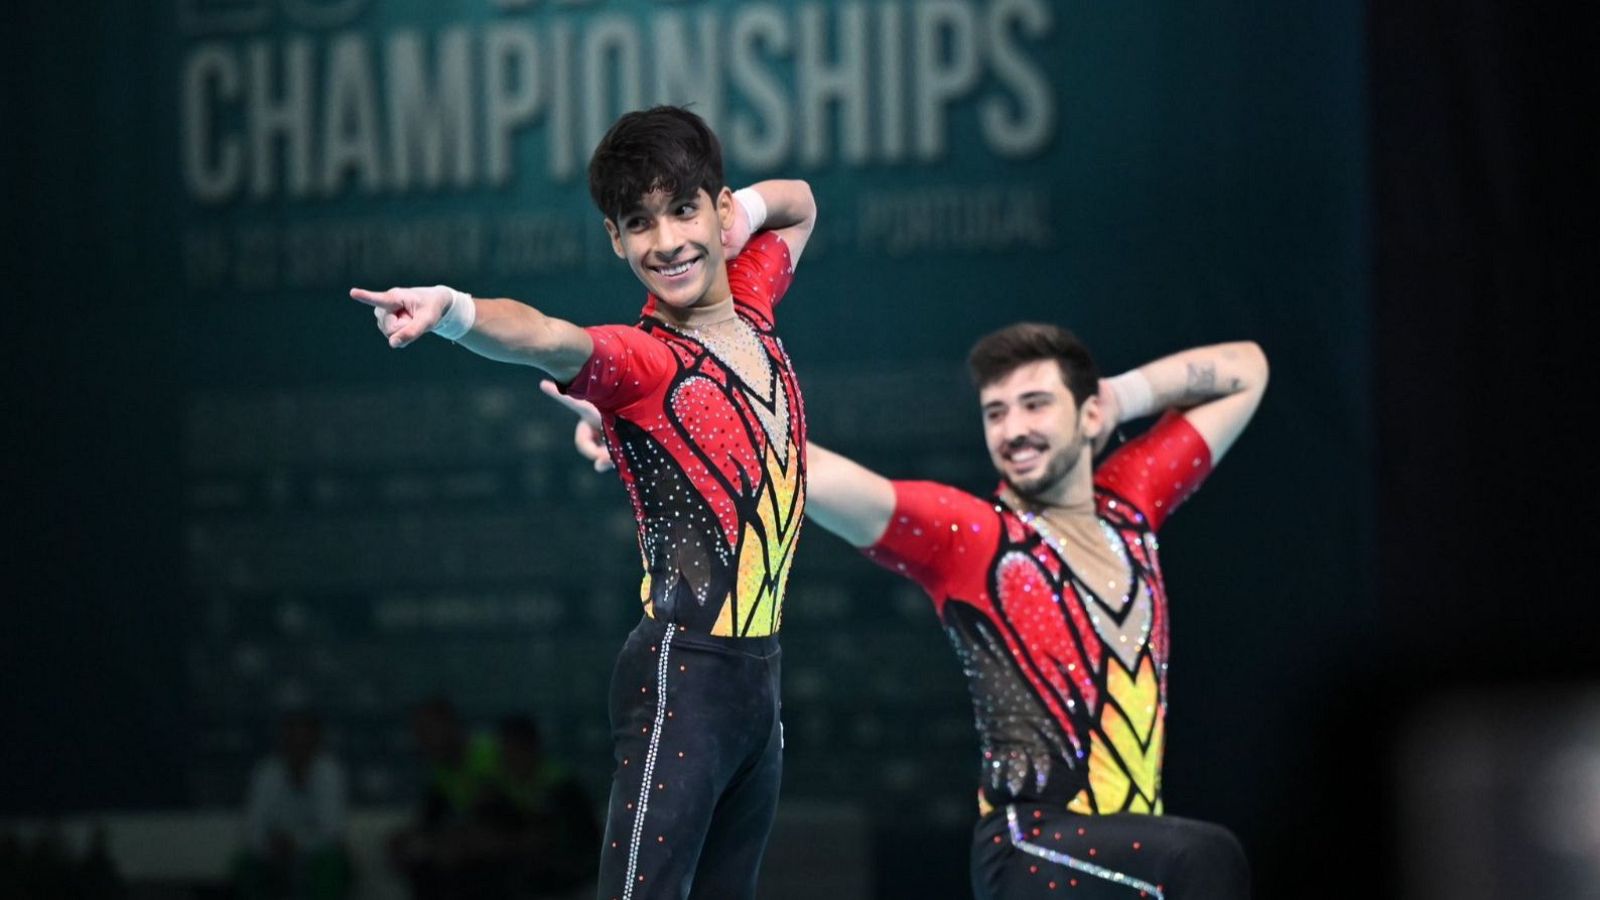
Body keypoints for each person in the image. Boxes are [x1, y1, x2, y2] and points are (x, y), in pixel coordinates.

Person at [554, 324, 1267, 898]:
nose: (1013, 428)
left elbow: (1247, 368)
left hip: (1123, 867)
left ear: (1089, 415)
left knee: (1187, 861)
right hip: (1029, 850)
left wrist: (1119, 393)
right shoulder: (976, 540)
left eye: (1035, 404)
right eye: (995, 412)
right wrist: (650, 433)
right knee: (1207, 860)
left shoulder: (1132, 504)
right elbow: (803, 468)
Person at [350, 106, 817, 900]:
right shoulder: (642, 360)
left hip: (757, 684)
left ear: (718, 205)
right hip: (684, 675)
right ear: (614, 240)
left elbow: (802, 201)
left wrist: (749, 215)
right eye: (639, 223)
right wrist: (453, 310)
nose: (666, 242)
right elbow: (542, 336)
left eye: (683, 210)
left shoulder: (754, 298)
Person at [235, 710, 352, 900]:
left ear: (316, 742)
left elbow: (332, 831)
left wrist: (297, 844)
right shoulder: (266, 772)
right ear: (283, 742)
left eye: (305, 740)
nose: (299, 746)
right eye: (293, 739)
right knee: (245, 863)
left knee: (332, 861)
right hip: (271, 851)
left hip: (315, 852)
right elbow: (252, 826)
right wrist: (269, 846)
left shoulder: (330, 772)